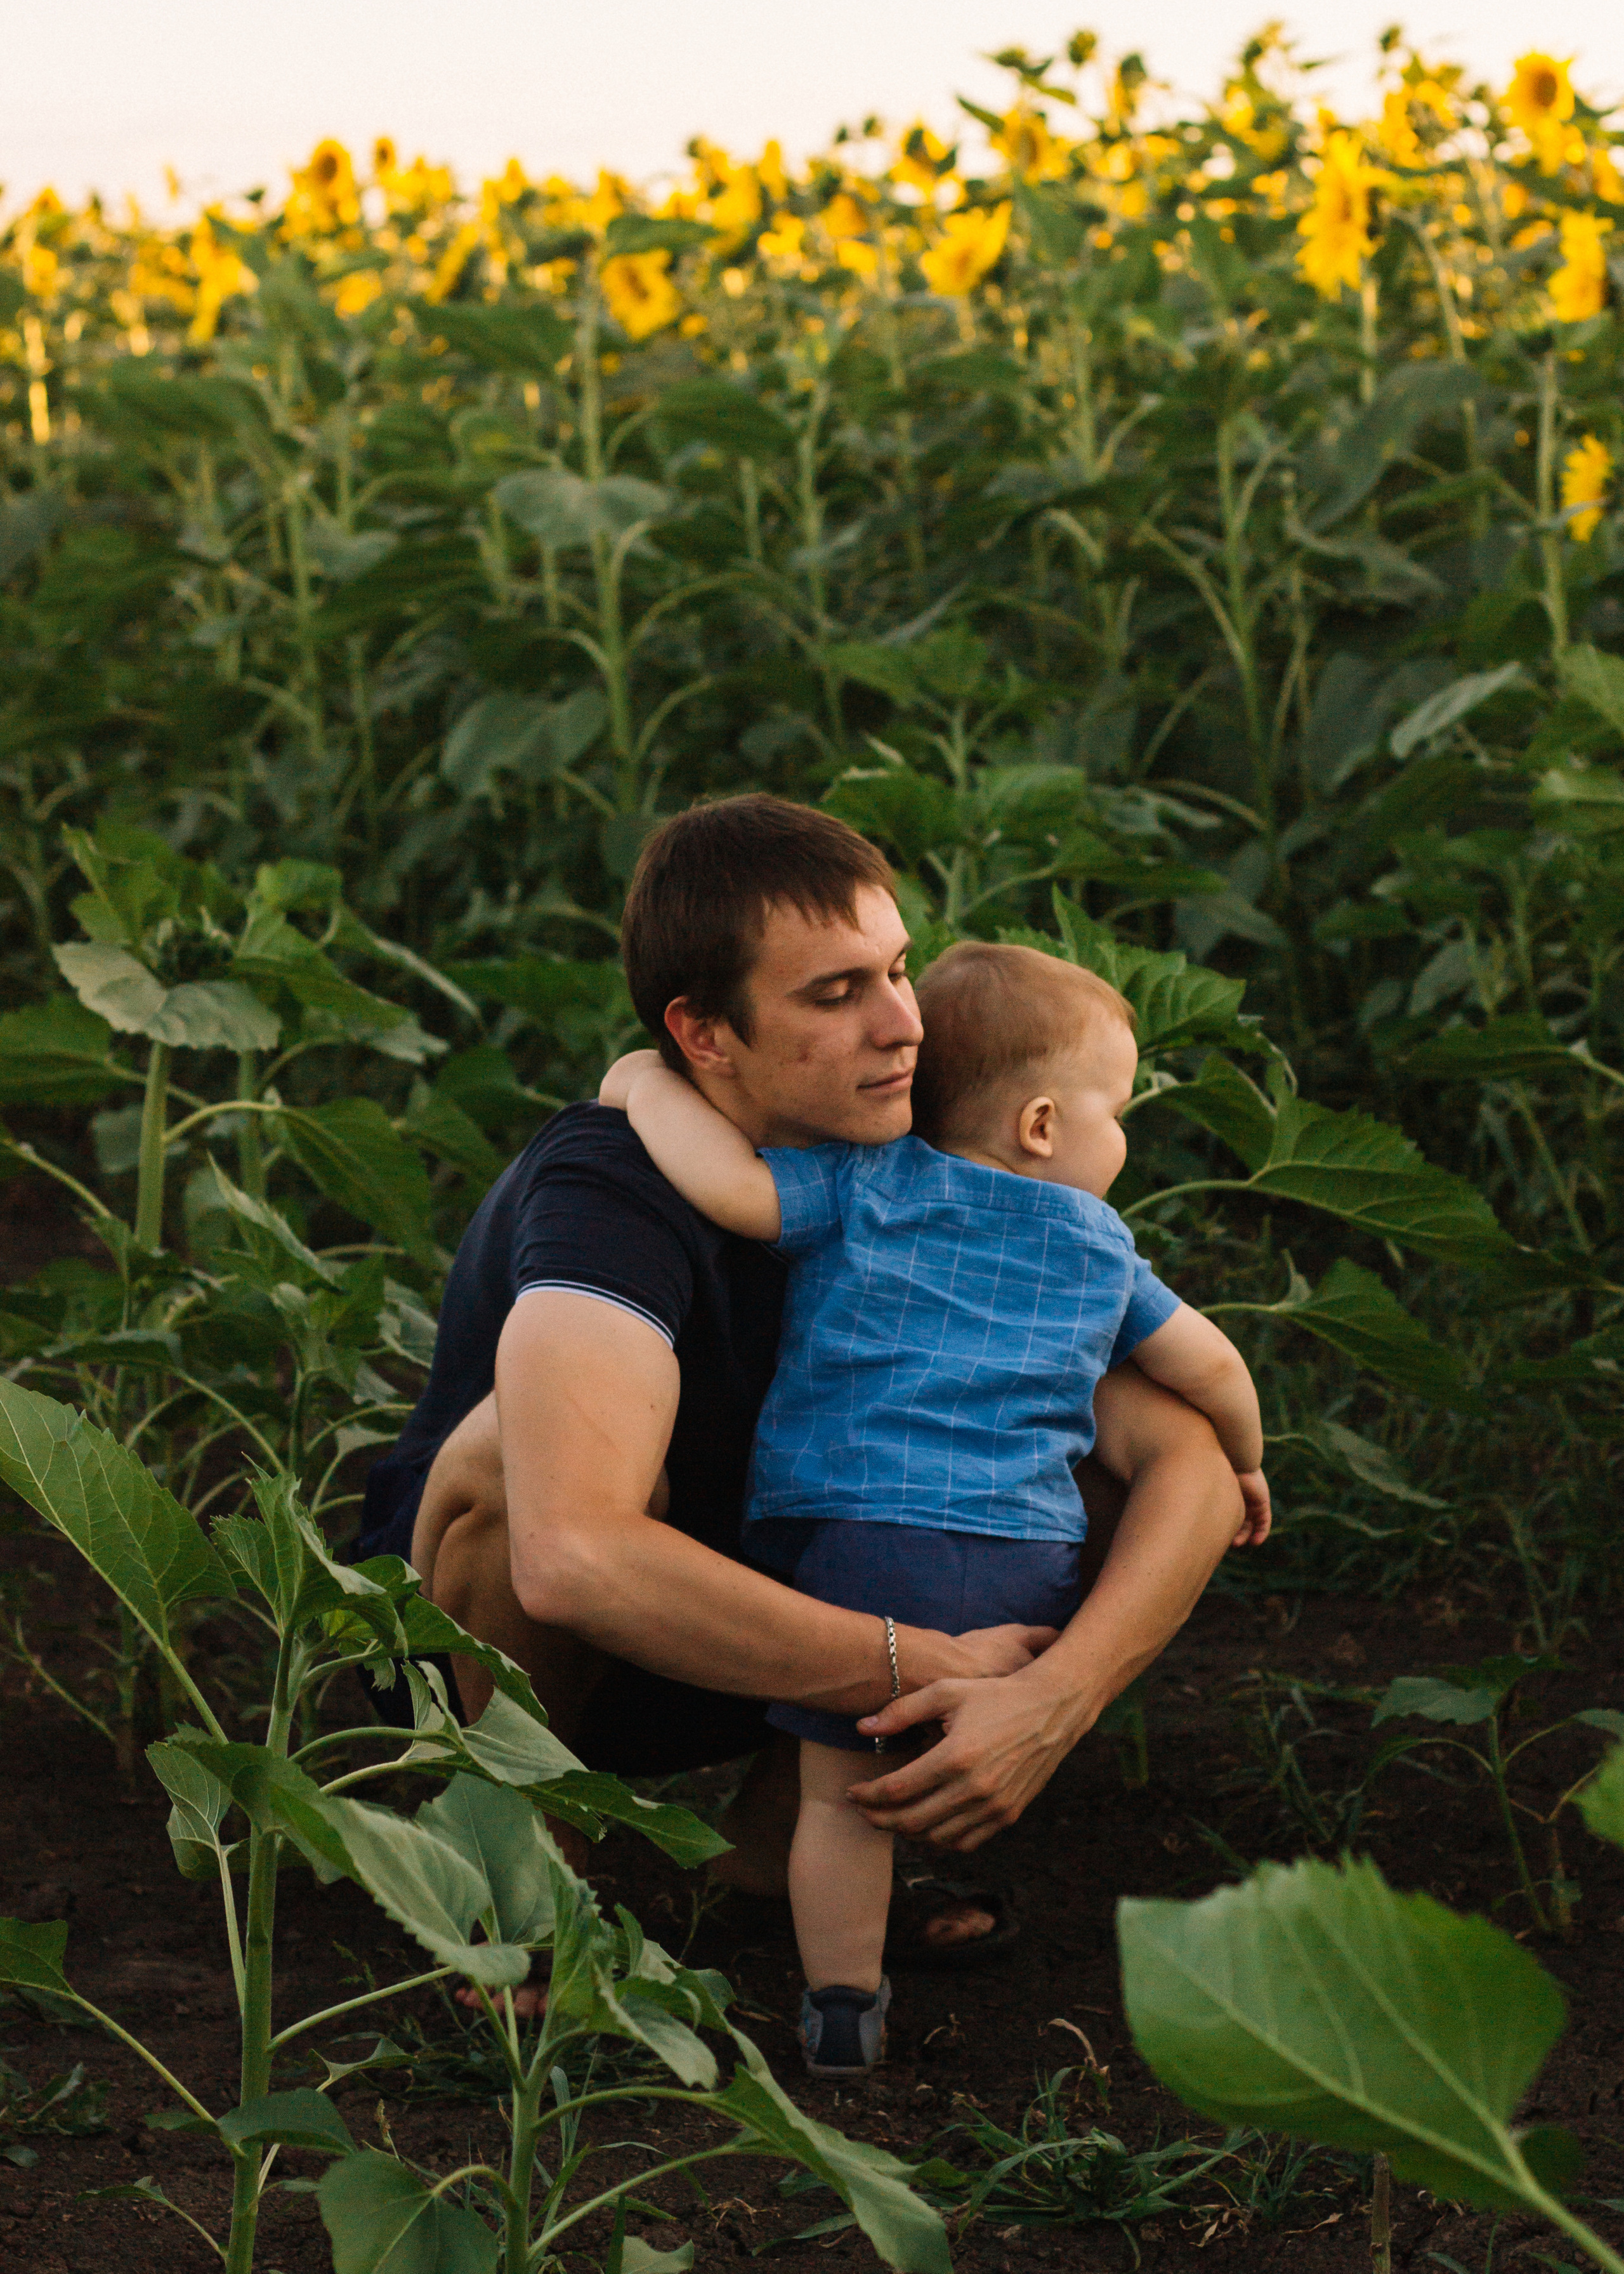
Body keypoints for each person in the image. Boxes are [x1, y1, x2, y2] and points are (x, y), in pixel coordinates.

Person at [357, 796, 1244, 1994]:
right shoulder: (610, 1190)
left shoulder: (929, 1171)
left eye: (898, 972)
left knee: (1057, 1445)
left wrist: (1052, 1697)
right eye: (834, 995)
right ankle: (522, 1865)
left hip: (787, 1614)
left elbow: (1189, 1457)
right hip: (534, 1648)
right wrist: (927, 1663)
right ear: (705, 1036)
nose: (901, 1027)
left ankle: (787, 1847)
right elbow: (567, 1557)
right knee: (521, 1461)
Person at [599, 937, 1268, 2075]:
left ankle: (844, 2002)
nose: (1126, 1140)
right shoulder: (1103, 1247)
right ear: (1044, 1126)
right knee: (914, 1767)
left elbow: (728, 1186)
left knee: (842, 1799)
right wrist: (1249, 1465)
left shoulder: (866, 1186)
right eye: (1119, 1112)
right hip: (1026, 1555)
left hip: (849, 1540)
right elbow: (1211, 1370)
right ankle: (965, 1778)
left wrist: (641, 1084)